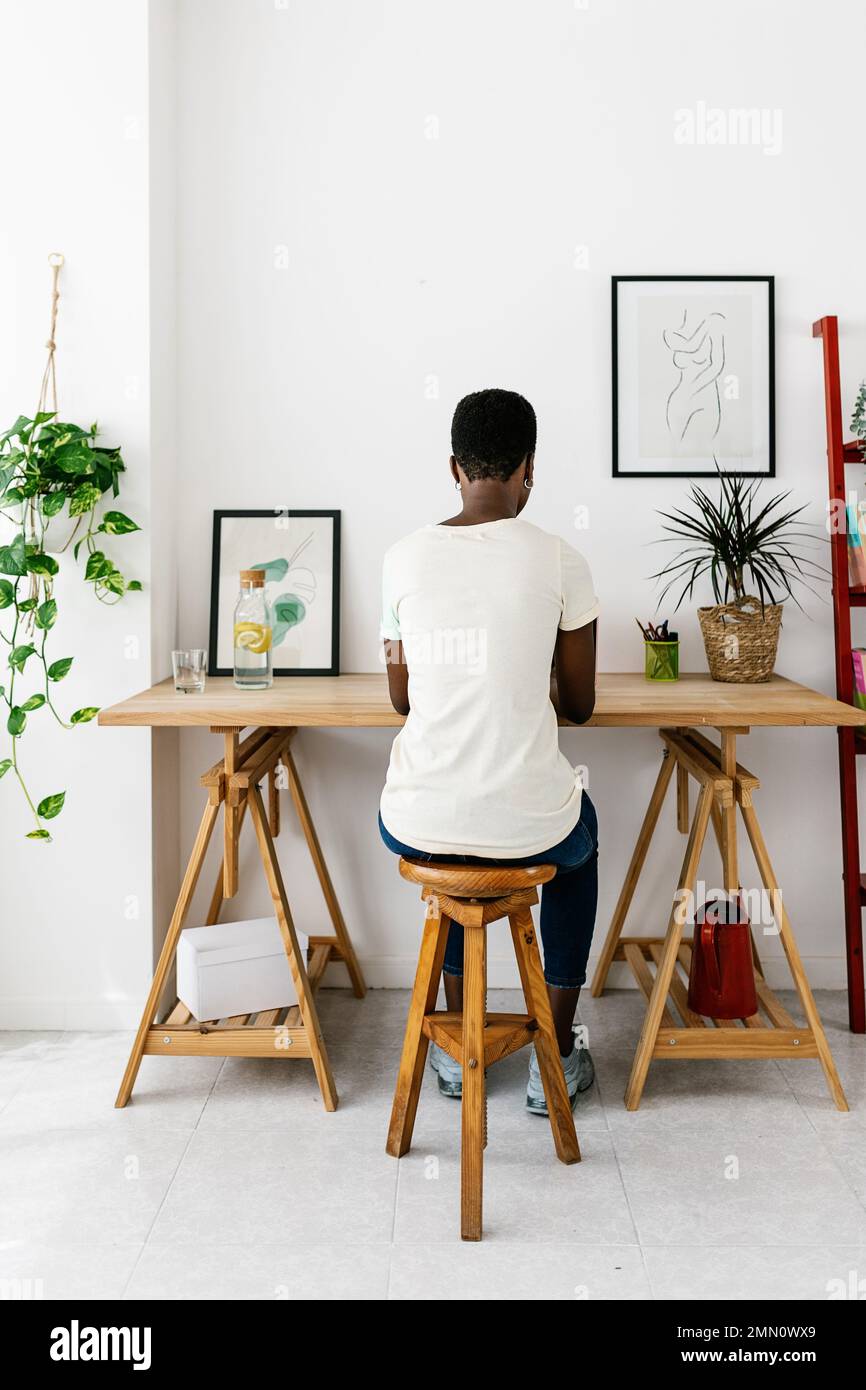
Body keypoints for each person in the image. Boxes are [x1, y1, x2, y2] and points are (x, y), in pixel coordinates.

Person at [378, 388, 599, 1114]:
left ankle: (451, 1048)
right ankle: (554, 1058)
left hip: (416, 820)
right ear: (529, 470)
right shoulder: (561, 559)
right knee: (580, 838)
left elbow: (402, 699)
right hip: (527, 826)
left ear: (453, 467)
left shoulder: (402, 559)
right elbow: (580, 704)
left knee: (451, 860)